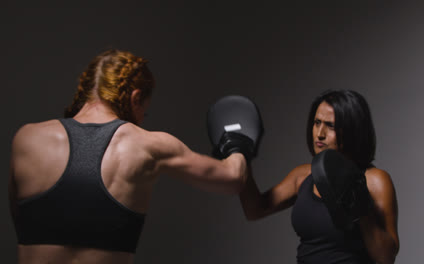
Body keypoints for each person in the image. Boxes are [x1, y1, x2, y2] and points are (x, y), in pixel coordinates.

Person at [8, 49, 250, 264]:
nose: (143, 118)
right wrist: (237, 142)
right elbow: (233, 179)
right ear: (135, 98)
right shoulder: (149, 145)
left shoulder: (26, 138)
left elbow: (20, 221)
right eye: (146, 110)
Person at [239, 90, 399, 263]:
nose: (319, 133)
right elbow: (255, 209)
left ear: (352, 129)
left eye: (330, 126)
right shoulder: (302, 176)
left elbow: (386, 258)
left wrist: (361, 208)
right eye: (317, 123)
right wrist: (240, 156)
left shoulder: (375, 181)